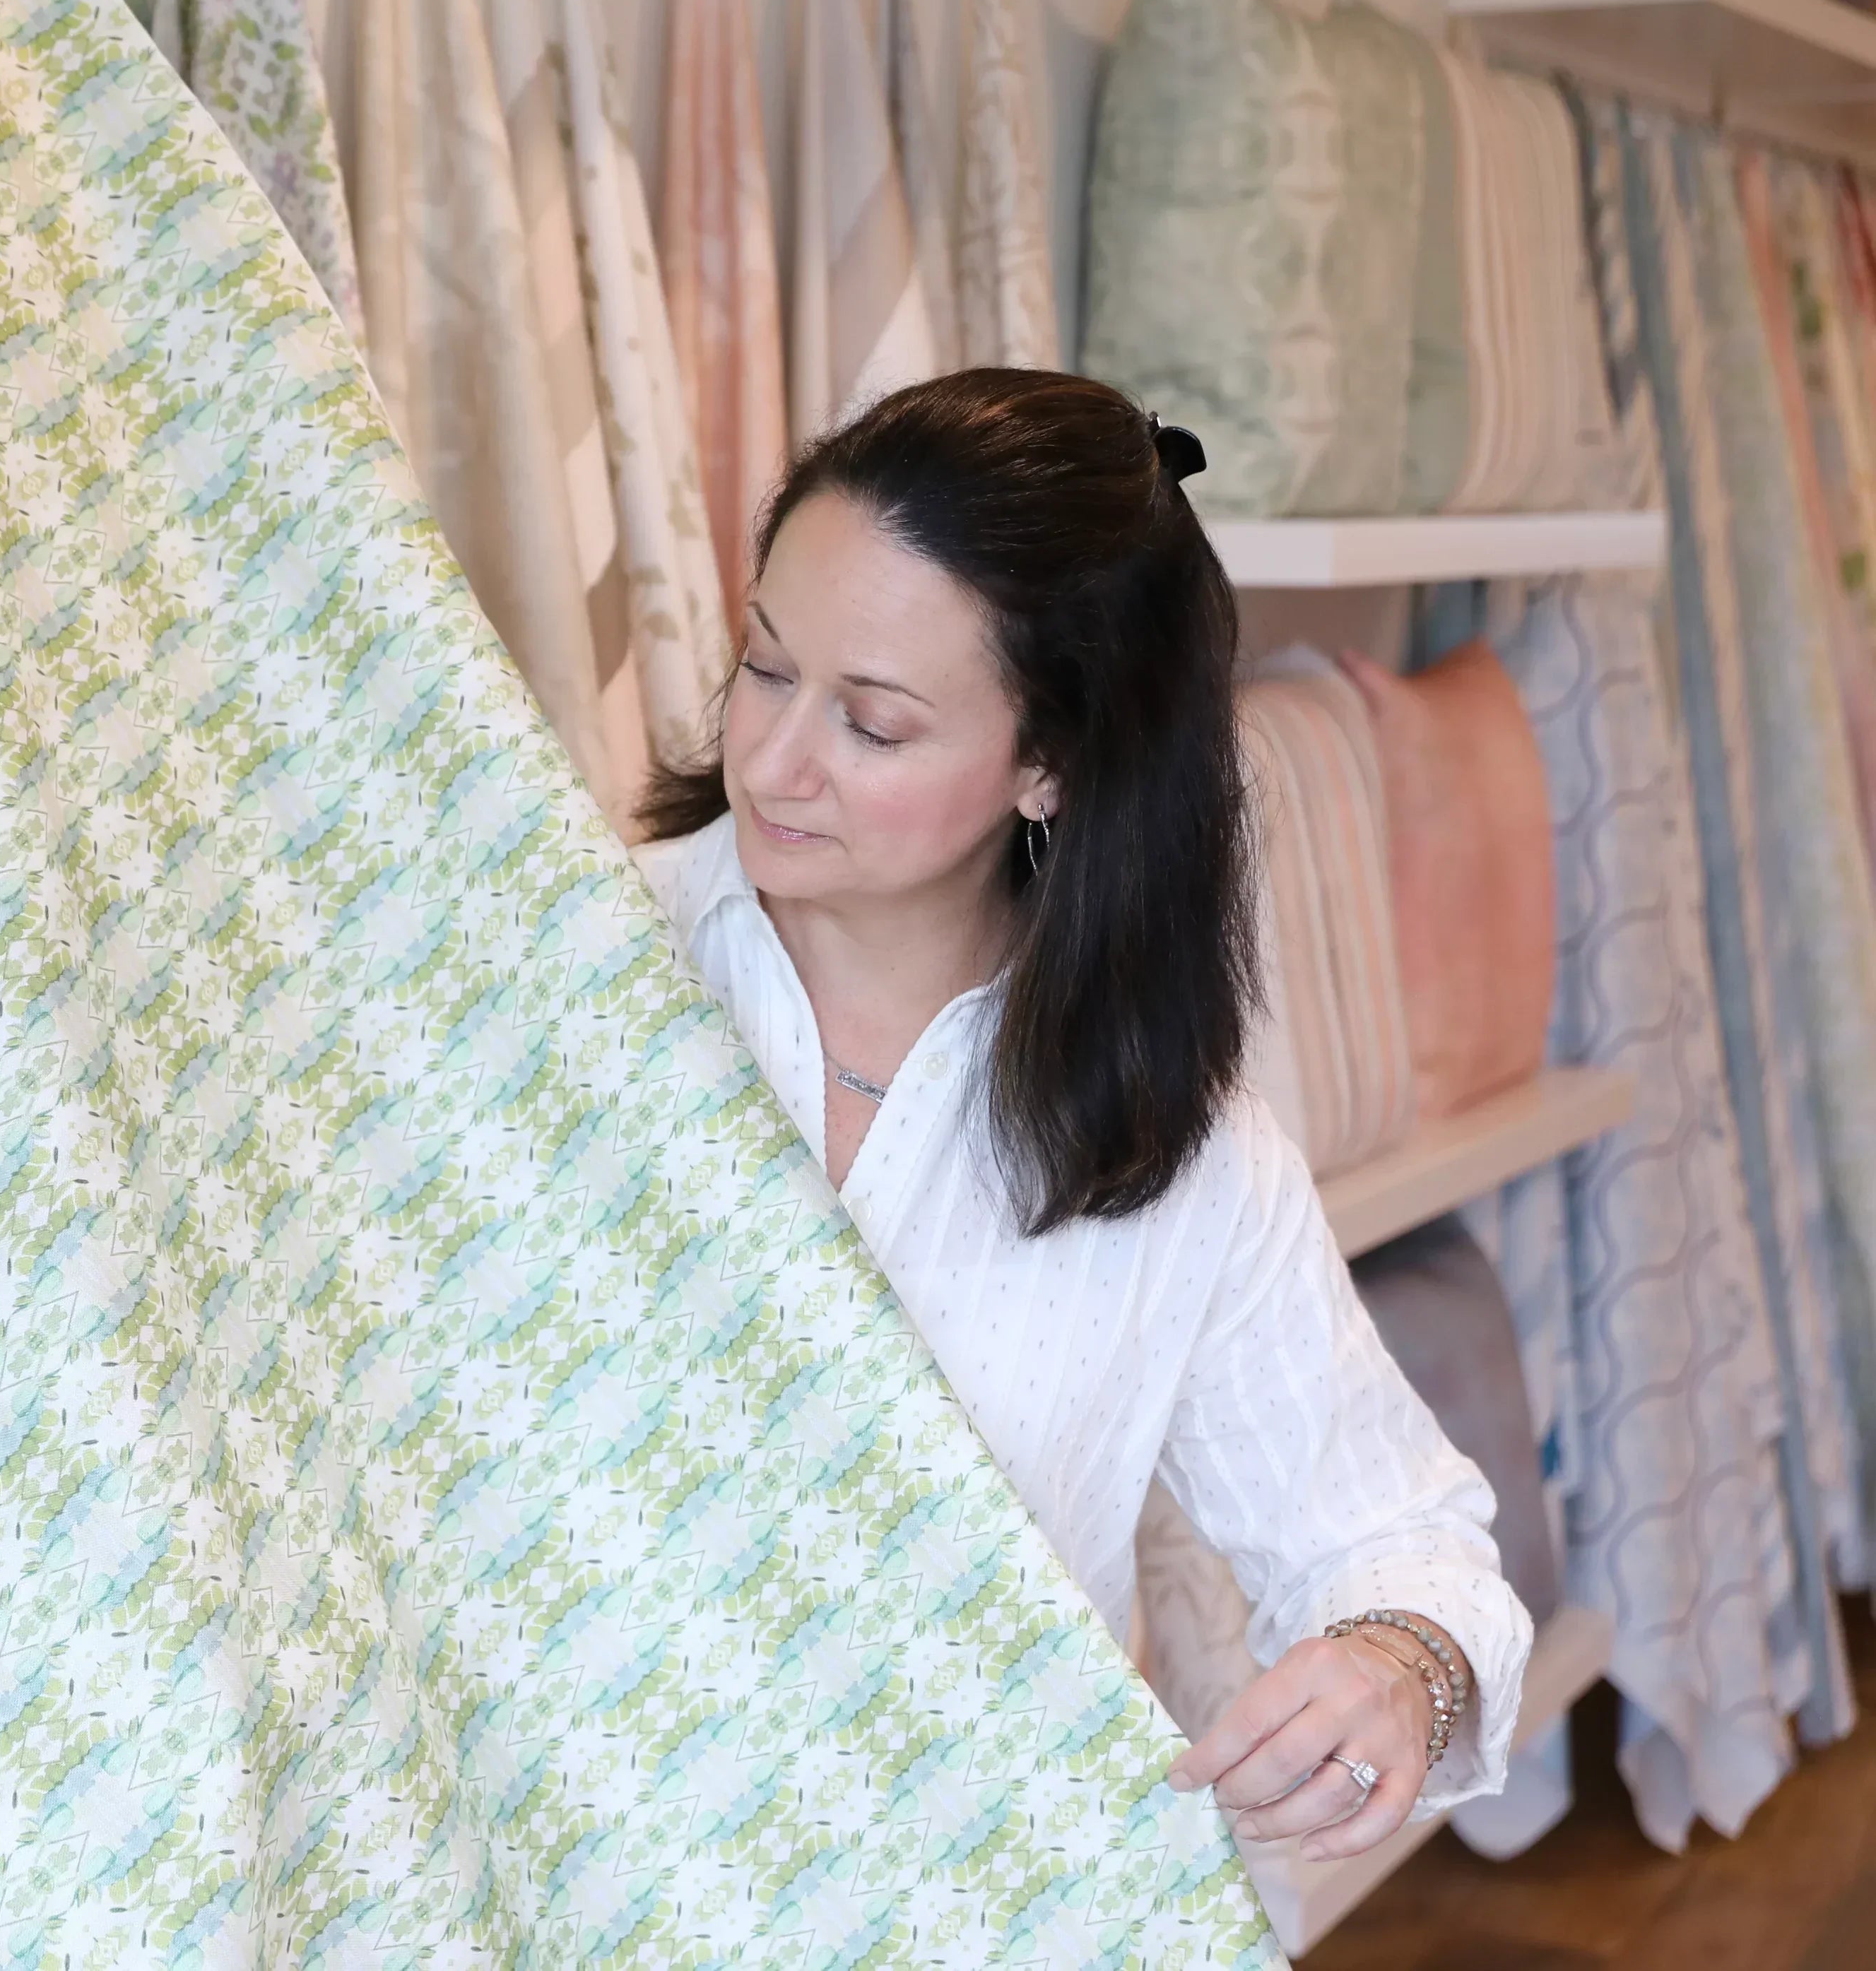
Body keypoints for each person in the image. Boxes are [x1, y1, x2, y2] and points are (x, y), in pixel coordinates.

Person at [634, 369, 1531, 1860]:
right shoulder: (577, 961)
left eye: (873, 724)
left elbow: (1398, 1541)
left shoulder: (1174, 1156)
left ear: (1050, 762)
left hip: (959, 1888)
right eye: (766, 666)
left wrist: (1397, 1669)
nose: (775, 760)